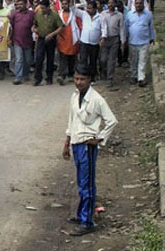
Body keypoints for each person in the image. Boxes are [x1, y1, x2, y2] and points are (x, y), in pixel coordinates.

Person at [63, 64, 117, 236]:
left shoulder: (97, 99)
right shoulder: (75, 96)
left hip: (88, 146)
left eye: (82, 79)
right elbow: (72, 120)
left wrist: (99, 138)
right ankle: (81, 214)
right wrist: (67, 142)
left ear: (89, 80)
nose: (79, 82)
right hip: (76, 143)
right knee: (81, 182)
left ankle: (88, 222)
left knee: (87, 185)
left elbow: (112, 121)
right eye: (76, 78)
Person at [125, 0, 156, 87]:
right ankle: (134, 76)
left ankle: (141, 78)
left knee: (143, 60)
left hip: (144, 42)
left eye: (140, 3)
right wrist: (125, 39)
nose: (138, 5)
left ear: (143, 4)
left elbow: (151, 26)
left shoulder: (148, 14)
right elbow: (126, 27)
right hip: (132, 42)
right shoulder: (130, 14)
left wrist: (152, 37)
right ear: (134, 5)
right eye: (137, 3)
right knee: (133, 60)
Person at [33, 0, 63, 86]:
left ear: (48, 7)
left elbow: (60, 27)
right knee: (38, 58)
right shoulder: (38, 15)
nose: (42, 10)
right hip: (41, 38)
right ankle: (37, 78)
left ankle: (49, 77)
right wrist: (34, 29)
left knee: (50, 59)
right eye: (41, 8)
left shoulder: (54, 15)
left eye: (43, 8)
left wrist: (52, 34)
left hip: (51, 39)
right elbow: (35, 24)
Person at [100, 0, 125, 90]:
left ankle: (109, 79)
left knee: (111, 60)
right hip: (105, 39)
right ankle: (104, 73)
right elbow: (102, 26)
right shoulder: (103, 14)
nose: (110, 5)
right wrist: (102, 37)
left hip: (115, 39)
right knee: (103, 59)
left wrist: (123, 42)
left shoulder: (119, 15)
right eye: (109, 3)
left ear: (115, 4)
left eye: (112, 3)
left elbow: (122, 29)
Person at [9, 0, 36, 85]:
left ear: (26, 4)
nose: (20, 6)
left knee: (28, 60)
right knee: (19, 59)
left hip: (28, 40)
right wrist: (9, 38)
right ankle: (18, 77)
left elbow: (36, 24)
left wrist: (34, 28)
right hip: (17, 40)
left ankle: (26, 74)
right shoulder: (14, 14)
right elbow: (11, 27)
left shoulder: (32, 14)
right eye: (18, 4)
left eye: (21, 4)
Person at [56, 0, 81, 85]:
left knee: (72, 58)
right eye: (63, 4)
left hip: (72, 39)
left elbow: (79, 25)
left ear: (69, 4)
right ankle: (62, 75)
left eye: (66, 4)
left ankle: (71, 73)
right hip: (62, 39)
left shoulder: (74, 15)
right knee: (62, 58)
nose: (64, 5)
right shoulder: (59, 14)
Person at [77, 0, 102, 82]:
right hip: (84, 41)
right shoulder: (84, 14)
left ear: (95, 9)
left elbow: (104, 28)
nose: (88, 10)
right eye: (87, 8)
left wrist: (103, 38)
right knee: (83, 59)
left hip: (94, 42)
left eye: (90, 8)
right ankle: (82, 75)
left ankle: (92, 77)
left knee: (93, 60)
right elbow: (74, 9)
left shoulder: (100, 17)